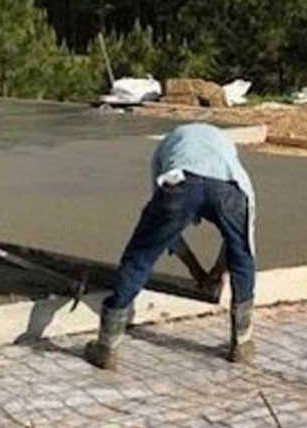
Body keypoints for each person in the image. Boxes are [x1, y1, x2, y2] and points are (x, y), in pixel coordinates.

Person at [86, 122, 257, 370]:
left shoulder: (165, 149)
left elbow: (166, 233)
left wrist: (199, 271)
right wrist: (210, 272)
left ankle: (107, 347)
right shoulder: (228, 156)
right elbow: (238, 246)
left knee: (140, 257)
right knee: (243, 256)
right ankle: (241, 345)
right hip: (229, 190)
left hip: (181, 183)